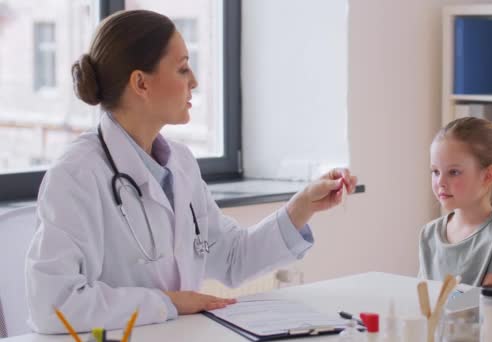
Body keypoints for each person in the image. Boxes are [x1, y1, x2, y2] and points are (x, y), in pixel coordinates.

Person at [25, 9, 357, 333]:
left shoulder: (179, 163)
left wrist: (301, 208)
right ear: (141, 83)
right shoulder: (77, 175)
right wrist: (167, 303)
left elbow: (231, 257)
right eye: (183, 69)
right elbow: (53, 304)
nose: (195, 81)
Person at [418, 117, 492, 286]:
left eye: (453, 172)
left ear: (488, 176)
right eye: (435, 171)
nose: (440, 182)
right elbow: (421, 302)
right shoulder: (428, 234)